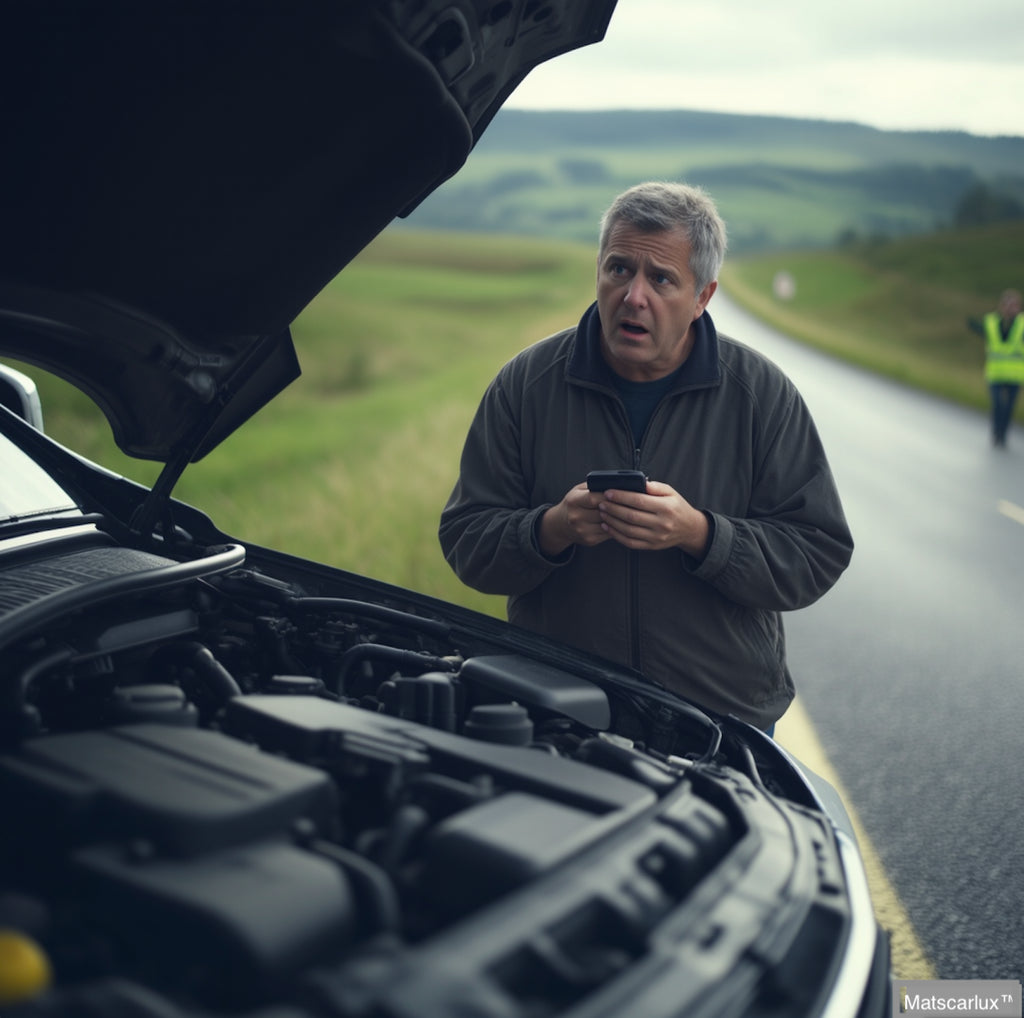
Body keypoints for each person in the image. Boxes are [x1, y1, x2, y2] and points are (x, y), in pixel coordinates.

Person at [438, 182, 853, 732]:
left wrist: (701, 535)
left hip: (720, 719)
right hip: (559, 706)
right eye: (619, 269)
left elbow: (818, 552)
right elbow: (466, 539)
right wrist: (552, 529)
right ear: (598, 270)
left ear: (702, 297)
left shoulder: (760, 395)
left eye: (661, 279)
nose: (634, 296)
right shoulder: (527, 385)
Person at [967, 289, 1024, 448]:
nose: (1010, 309)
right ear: (1002, 306)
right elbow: (981, 330)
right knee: (998, 404)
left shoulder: (1022, 325)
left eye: (1014, 305)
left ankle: (1002, 435)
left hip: (1015, 375)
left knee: (1008, 408)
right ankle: (996, 432)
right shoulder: (992, 322)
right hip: (995, 373)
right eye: (1007, 305)